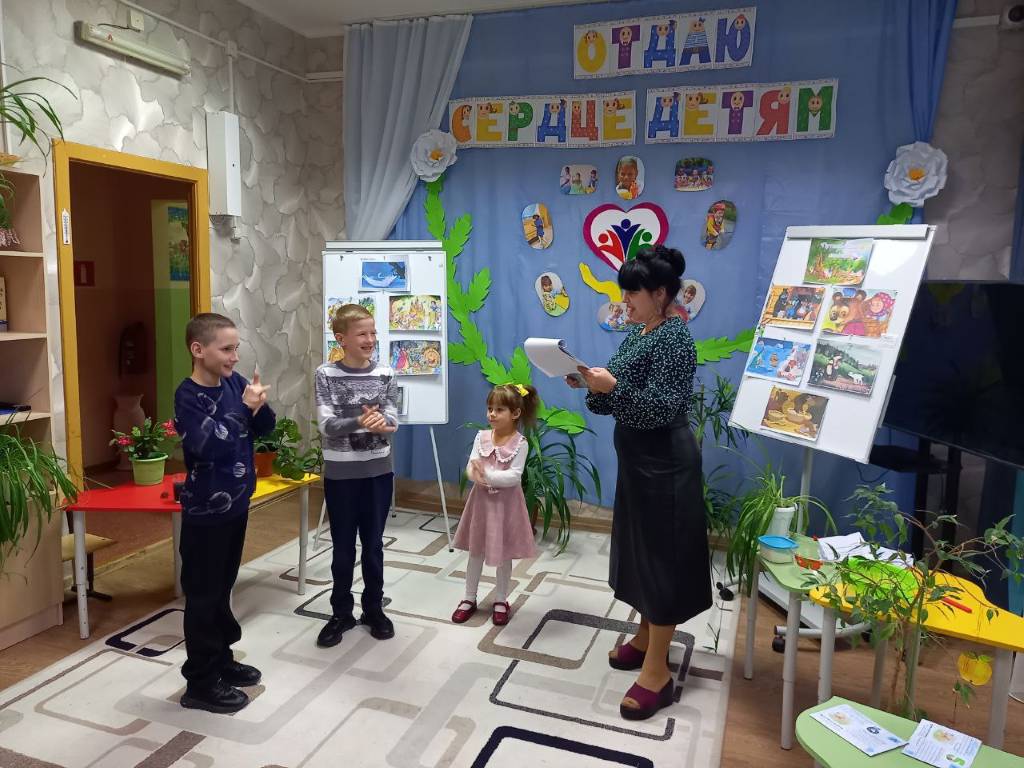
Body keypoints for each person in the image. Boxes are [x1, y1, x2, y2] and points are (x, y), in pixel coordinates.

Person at [566, 244, 710, 722]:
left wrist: (613, 388)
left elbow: (661, 409)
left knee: (663, 560)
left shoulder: (675, 338)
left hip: (665, 463)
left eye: (633, 293)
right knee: (642, 552)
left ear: (661, 293)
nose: (624, 300)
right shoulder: (638, 333)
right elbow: (618, 398)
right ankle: (647, 637)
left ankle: (657, 672)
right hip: (638, 462)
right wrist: (591, 384)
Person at [174, 312, 276, 714]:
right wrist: (243, 411)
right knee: (203, 596)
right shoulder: (188, 396)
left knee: (222, 588)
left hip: (237, 506)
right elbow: (209, 447)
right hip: (204, 514)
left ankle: (221, 659)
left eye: (236, 348)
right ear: (199, 350)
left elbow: (264, 428)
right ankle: (199, 683)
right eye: (227, 349)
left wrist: (258, 405)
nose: (235, 357)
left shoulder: (235, 383)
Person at [315, 304, 399, 648]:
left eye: (373, 332)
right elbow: (327, 426)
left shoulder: (386, 373)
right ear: (341, 339)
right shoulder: (325, 374)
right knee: (343, 547)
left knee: (374, 546)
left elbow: (393, 420)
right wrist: (360, 421)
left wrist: (383, 423)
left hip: (378, 473)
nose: (370, 339)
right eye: (362, 333)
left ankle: (373, 610)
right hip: (341, 476)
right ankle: (341, 613)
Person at [451, 383, 538, 626]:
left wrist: (486, 475)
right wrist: (474, 474)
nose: (492, 414)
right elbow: (472, 466)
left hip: (506, 507)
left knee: (503, 554)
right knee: (475, 551)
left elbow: (514, 476)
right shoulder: (481, 437)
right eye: (490, 408)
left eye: (499, 409)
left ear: (515, 413)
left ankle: (501, 599)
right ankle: (469, 598)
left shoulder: (521, 443)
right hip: (481, 505)